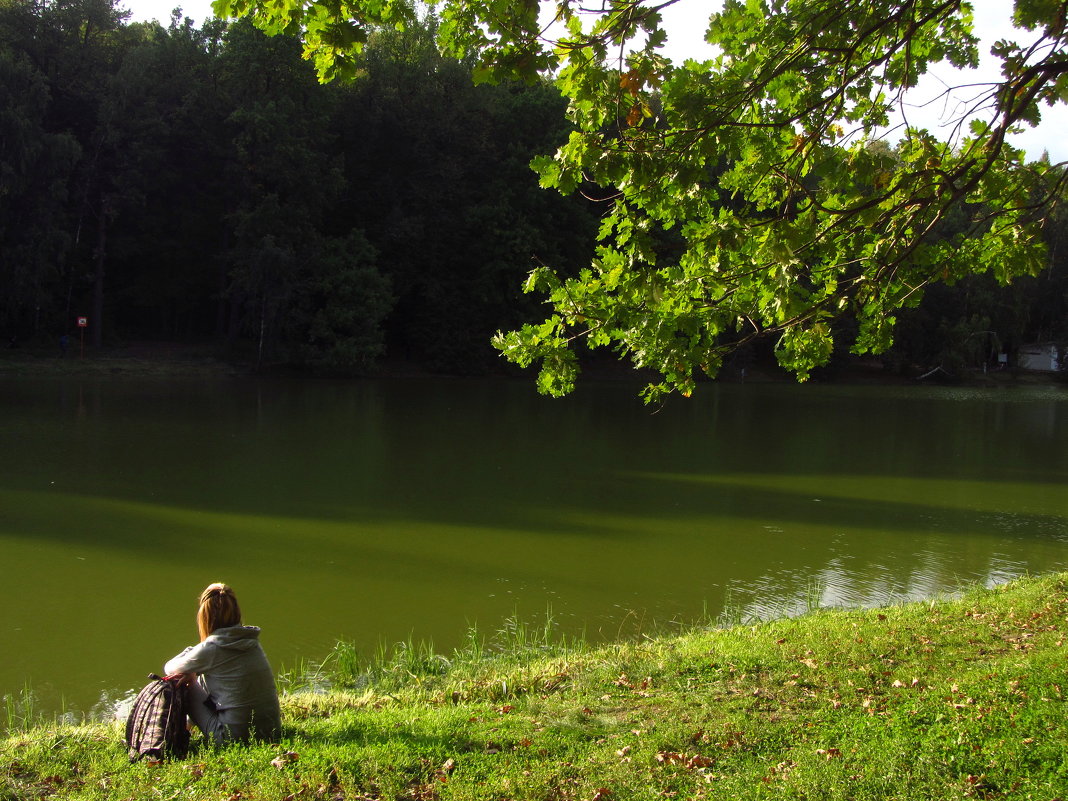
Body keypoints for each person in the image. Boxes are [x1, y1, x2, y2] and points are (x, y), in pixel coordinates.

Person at [164, 583, 282, 744]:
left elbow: (170, 668)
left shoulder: (213, 648)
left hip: (232, 739)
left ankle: (180, 731)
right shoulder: (251, 641)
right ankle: (188, 725)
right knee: (200, 674)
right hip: (272, 731)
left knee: (182, 681)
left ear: (204, 617)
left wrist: (191, 667)